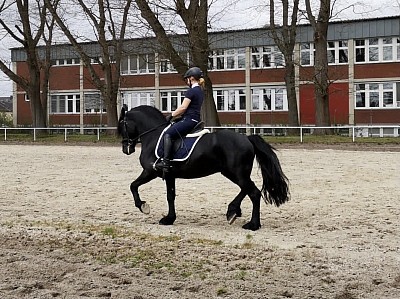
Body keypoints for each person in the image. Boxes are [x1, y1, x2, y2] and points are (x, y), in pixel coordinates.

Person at [156, 66, 205, 173]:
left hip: (189, 120)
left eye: (187, 79)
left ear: (191, 78)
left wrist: (171, 115)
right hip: (196, 120)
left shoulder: (191, 91)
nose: (187, 81)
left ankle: (166, 162)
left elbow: (183, 108)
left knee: (168, 134)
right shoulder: (200, 91)